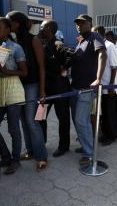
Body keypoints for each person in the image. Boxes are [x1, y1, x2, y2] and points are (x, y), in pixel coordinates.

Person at [6, 11, 48, 171]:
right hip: (17, 85)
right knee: (24, 120)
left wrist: (42, 90)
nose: (8, 25)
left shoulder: (33, 39)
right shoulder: (10, 41)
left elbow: (41, 66)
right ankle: (30, 151)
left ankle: (41, 156)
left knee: (31, 121)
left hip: (32, 84)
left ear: (18, 23)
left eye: (10, 22)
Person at [67, 14, 107, 165]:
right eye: (77, 23)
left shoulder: (94, 36)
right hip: (75, 87)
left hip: (86, 88)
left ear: (89, 24)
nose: (78, 25)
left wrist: (98, 78)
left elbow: (102, 55)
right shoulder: (81, 41)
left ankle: (89, 153)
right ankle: (86, 146)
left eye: (82, 23)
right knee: (79, 121)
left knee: (81, 120)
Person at [0, 17, 27, 174]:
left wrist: (6, 71)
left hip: (14, 89)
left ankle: (16, 160)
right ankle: (5, 157)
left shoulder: (16, 47)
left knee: (13, 128)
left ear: (7, 29)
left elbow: (24, 72)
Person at [38, 20, 71, 157]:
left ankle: (63, 146)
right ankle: (41, 142)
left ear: (50, 28)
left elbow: (72, 54)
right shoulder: (43, 44)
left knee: (63, 118)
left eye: (42, 27)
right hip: (46, 88)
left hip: (60, 88)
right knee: (40, 116)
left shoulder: (58, 44)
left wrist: (64, 68)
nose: (40, 29)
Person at [92, 26, 117, 146]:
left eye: (93, 33)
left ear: (99, 33)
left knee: (109, 113)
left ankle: (111, 136)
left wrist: (112, 85)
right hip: (100, 87)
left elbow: (114, 66)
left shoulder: (110, 46)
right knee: (102, 113)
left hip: (109, 87)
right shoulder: (96, 45)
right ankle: (104, 133)